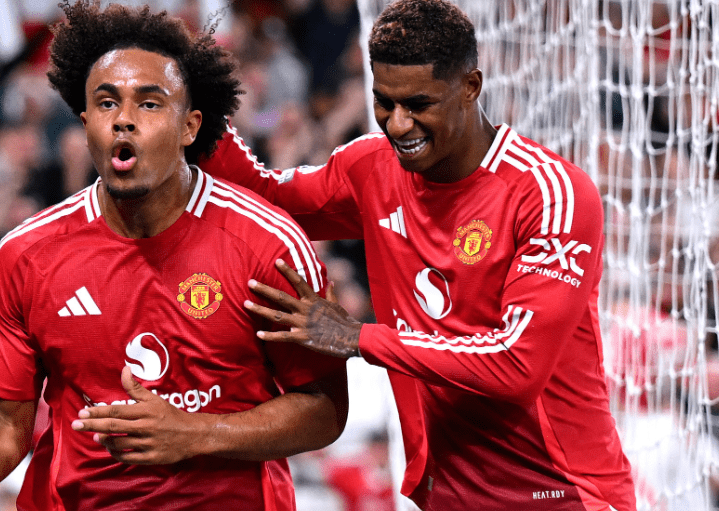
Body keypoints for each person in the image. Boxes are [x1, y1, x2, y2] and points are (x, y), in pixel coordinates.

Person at [0, 1, 348, 510]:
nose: (124, 121)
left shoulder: (269, 245)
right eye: (107, 104)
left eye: (149, 104)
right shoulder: (26, 254)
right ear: (85, 120)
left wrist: (195, 433)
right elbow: (3, 416)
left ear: (190, 126)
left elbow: (324, 409)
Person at [198, 0, 637, 509]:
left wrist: (358, 338)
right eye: (384, 102)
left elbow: (516, 366)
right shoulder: (371, 168)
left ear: (470, 87)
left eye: (419, 104)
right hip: (446, 496)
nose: (399, 124)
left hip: (561, 495)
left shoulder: (549, 193)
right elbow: (264, 198)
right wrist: (199, 97)